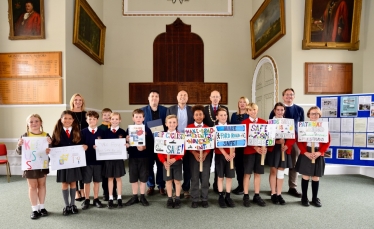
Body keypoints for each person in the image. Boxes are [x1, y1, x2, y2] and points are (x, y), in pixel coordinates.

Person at [47, 110, 87, 216]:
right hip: (63, 163)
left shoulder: (77, 131)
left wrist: (85, 146)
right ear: (61, 120)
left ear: (73, 120)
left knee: (73, 183)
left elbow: (82, 143)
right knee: (64, 183)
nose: (67, 120)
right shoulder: (56, 132)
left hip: (74, 162)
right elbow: (53, 147)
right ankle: (66, 205)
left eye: (70, 118)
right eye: (65, 118)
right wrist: (50, 147)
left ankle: (73, 205)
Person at [269, 88, 304, 198]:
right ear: (283, 96)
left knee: (293, 164)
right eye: (287, 95)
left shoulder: (299, 109)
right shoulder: (275, 109)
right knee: (276, 166)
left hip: (293, 140)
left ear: (294, 96)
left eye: (291, 95)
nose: (289, 96)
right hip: (277, 143)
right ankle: (274, 189)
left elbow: (301, 125)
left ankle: (292, 187)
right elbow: (270, 126)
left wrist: (290, 142)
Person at [16, 114, 51, 219]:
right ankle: (35, 209)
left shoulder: (46, 135)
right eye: (31, 121)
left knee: (42, 185)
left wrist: (50, 145)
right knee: (32, 186)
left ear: (41, 123)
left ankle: (42, 207)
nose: (34, 123)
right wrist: (19, 144)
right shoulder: (25, 136)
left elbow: (52, 151)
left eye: (36, 121)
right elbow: (18, 152)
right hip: (29, 165)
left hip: (42, 164)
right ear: (27, 124)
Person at [296, 106, 330, 207]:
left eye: (316, 114)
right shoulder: (304, 126)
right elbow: (299, 141)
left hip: (318, 153)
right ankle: (304, 197)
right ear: (308, 115)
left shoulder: (323, 127)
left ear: (319, 115)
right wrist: (305, 152)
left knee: (316, 177)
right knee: (305, 175)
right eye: (312, 113)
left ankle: (315, 198)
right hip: (307, 152)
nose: (314, 115)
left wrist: (320, 152)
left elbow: (327, 142)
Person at [166, 90, 194, 198]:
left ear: (187, 98)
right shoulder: (171, 109)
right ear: (177, 97)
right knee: (174, 165)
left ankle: (186, 188)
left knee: (187, 166)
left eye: (185, 95)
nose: (183, 97)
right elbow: (167, 124)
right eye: (181, 95)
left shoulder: (191, 109)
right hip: (174, 140)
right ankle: (175, 188)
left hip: (188, 140)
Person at [267, 102, 295, 205]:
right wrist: (276, 142)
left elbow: (293, 136)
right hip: (273, 149)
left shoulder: (288, 123)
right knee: (273, 171)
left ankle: (279, 194)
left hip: (284, 149)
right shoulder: (270, 122)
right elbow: (266, 137)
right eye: (277, 110)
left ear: (284, 111)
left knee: (281, 171)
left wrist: (287, 144)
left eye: (281, 110)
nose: (279, 112)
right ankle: (273, 193)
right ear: (274, 111)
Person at [141, 90, 167, 196]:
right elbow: (138, 126)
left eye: (156, 96)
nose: (154, 98)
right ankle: (150, 185)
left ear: (159, 99)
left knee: (161, 164)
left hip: (161, 141)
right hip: (148, 142)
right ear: (148, 98)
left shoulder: (165, 110)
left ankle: (161, 186)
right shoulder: (142, 111)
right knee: (149, 165)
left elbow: (168, 124)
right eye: (152, 96)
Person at [124, 109, 152, 207]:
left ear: (143, 118)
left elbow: (151, 143)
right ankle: (135, 196)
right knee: (134, 177)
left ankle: (143, 196)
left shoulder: (147, 129)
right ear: (133, 118)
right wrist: (127, 140)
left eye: (140, 117)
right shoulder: (129, 129)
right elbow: (126, 143)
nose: (138, 119)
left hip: (144, 157)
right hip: (133, 157)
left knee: (143, 178)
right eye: (136, 117)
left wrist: (145, 146)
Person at [203, 90, 229, 193]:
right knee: (208, 163)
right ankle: (206, 183)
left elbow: (228, 124)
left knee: (219, 163)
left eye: (217, 97)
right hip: (209, 140)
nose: (215, 98)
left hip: (221, 140)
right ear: (210, 98)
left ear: (220, 98)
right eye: (213, 96)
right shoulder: (205, 109)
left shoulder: (225, 109)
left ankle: (216, 185)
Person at [242, 103, 267, 207]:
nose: (253, 111)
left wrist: (264, 148)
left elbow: (267, 136)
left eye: (255, 109)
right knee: (247, 174)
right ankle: (246, 195)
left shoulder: (263, 122)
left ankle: (257, 195)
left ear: (257, 110)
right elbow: (244, 138)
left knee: (258, 173)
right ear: (247, 111)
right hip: (249, 152)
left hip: (260, 153)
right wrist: (255, 147)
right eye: (250, 110)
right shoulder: (244, 123)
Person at [187, 105, 212, 208]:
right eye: (196, 115)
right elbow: (187, 143)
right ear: (193, 116)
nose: (198, 117)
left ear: (203, 115)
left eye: (200, 114)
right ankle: (195, 198)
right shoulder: (189, 128)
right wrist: (195, 153)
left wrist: (205, 153)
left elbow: (210, 144)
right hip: (193, 156)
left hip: (206, 156)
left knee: (205, 177)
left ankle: (205, 198)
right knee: (194, 177)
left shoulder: (207, 128)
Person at [158, 115, 184, 209]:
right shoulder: (162, 136)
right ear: (166, 124)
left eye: (174, 122)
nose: (172, 124)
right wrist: (164, 162)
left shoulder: (180, 136)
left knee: (177, 181)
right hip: (166, 163)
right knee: (168, 181)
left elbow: (183, 151)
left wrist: (175, 158)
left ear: (177, 124)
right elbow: (159, 151)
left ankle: (177, 198)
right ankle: (169, 198)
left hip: (176, 162)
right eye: (170, 122)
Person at [80, 111, 104, 210]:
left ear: (97, 120)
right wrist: (83, 146)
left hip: (98, 161)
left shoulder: (102, 132)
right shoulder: (83, 132)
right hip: (86, 160)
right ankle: (86, 199)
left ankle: (96, 198)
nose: (92, 121)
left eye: (94, 119)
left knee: (97, 181)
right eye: (89, 119)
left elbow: (106, 145)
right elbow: (79, 145)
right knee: (86, 181)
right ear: (86, 120)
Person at [102, 112, 126, 209]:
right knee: (110, 178)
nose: (115, 121)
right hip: (108, 159)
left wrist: (127, 144)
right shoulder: (105, 132)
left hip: (118, 159)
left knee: (118, 178)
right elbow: (102, 145)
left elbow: (127, 143)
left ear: (120, 120)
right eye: (113, 119)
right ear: (109, 120)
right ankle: (111, 198)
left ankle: (119, 198)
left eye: (117, 119)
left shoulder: (123, 132)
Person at [215, 108, 236, 208]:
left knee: (229, 176)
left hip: (231, 155)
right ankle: (220, 196)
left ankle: (228, 196)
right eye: (221, 115)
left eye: (225, 115)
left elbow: (236, 140)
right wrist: (225, 154)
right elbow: (216, 143)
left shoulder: (231, 128)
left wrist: (233, 152)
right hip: (220, 155)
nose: (224, 117)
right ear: (217, 117)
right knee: (220, 176)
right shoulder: (215, 128)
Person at [69, 93, 88, 201]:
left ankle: (82, 189)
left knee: (83, 168)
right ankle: (76, 191)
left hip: (84, 144)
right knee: (74, 167)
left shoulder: (86, 114)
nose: (78, 102)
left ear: (82, 102)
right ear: (72, 102)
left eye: (80, 100)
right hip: (73, 144)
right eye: (76, 100)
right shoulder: (69, 114)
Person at [230, 96, 250, 195]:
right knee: (238, 166)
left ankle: (244, 186)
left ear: (247, 104)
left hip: (247, 145)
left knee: (245, 166)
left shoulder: (249, 115)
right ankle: (240, 185)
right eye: (240, 102)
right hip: (236, 145)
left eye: (244, 102)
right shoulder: (234, 115)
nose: (242, 104)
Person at [98, 108, 117, 201]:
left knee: (115, 174)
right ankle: (106, 192)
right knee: (105, 175)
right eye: (104, 115)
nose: (107, 117)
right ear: (102, 117)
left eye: (109, 115)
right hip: (104, 156)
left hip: (114, 156)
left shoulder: (115, 127)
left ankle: (114, 191)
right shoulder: (100, 128)